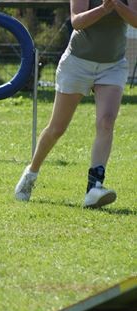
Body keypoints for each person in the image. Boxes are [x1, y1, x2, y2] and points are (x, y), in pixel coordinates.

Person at [15, 0, 137, 208]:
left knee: (106, 122)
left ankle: (94, 187)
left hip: (113, 65)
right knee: (57, 129)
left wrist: (117, 4)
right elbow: (77, 22)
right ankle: (31, 173)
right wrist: (104, 8)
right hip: (77, 63)